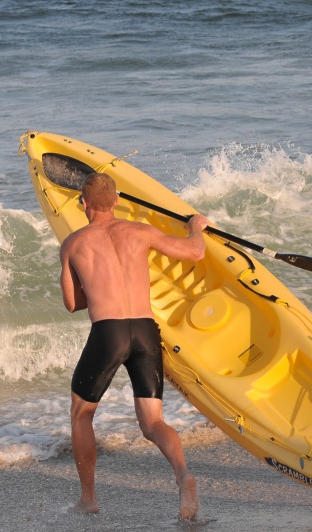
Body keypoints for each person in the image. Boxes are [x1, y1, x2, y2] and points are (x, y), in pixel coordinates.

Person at [59, 172, 209, 520]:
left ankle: (88, 499)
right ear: (116, 202)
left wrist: (96, 287)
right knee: (153, 422)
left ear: (84, 203)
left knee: (82, 414)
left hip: (108, 333)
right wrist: (196, 227)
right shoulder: (140, 231)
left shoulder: (73, 244)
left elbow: (71, 303)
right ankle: (183, 475)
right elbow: (195, 253)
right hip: (145, 330)